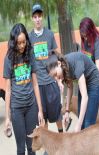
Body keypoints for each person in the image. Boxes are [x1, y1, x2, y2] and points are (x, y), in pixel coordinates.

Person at [3, 23, 44, 155]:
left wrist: (40, 111)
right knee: (21, 149)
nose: (21, 46)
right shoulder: (9, 58)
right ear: (13, 42)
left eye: (23, 42)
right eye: (18, 43)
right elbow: (8, 90)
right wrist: (7, 118)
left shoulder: (30, 54)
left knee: (31, 146)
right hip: (17, 109)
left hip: (31, 106)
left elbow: (35, 84)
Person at [46, 51, 99, 132]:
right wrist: (67, 111)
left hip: (94, 83)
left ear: (58, 64)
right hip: (84, 83)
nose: (56, 78)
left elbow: (85, 97)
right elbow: (70, 87)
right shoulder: (64, 68)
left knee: (88, 124)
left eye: (55, 74)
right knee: (81, 121)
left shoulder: (75, 63)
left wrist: (78, 125)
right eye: (53, 77)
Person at [29, 3, 63, 132]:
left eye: (39, 16)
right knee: (43, 117)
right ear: (32, 18)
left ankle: (61, 138)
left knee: (57, 114)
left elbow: (57, 53)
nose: (37, 19)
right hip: (38, 85)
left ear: (42, 17)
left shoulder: (49, 34)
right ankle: (48, 148)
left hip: (51, 82)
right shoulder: (29, 37)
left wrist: (59, 80)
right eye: (35, 16)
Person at [79, 17, 99, 89]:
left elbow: (98, 69)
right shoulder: (84, 40)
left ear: (91, 31)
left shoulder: (98, 42)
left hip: (98, 77)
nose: (85, 39)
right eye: (83, 36)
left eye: (87, 36)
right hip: (88, 76)